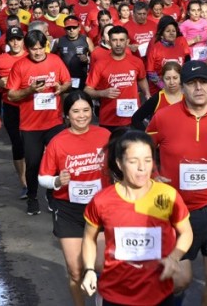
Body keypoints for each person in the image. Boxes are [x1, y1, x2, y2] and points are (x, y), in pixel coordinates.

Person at [145, 60, 207, 306]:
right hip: (176, 208)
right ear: (182, 87)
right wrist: (154, 175)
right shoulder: (163, 117)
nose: (198, 88)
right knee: (180, 279)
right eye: (191, 83)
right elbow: (142, 151)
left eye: (204, 82)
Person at [81, 130, 193, 306]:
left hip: (159, 294)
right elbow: (89, 237)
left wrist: (174, 257)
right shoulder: (102, 200)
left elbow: (186, 232)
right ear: (119, 163)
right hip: (115, 294)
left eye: (148, 160)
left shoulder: (168, 195)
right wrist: (88, 269)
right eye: (133, 161)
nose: (142, 168)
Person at [38, 91, 110, 306]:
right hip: (69, 211)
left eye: (86, 110)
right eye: (76, 111)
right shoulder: (57, 142)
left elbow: (120, 164)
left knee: (101, 265)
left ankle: (102, 301)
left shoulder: (105, 135)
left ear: (92, 110)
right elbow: (43, 178)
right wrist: (57, 182)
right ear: (67, 115)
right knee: (76, 270)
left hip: (100, 209)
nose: (81, 116)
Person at [8, 30, 72, 215]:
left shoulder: (55, 60)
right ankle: (32, 197)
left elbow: (67, 82)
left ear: (45, 46)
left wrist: (62, 87)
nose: (37, 52)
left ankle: (53, 195)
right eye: (33, 49)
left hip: (54, 122)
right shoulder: (20, 65)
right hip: (31, 126)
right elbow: (11, 94)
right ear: (27, 49)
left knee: (58, 162)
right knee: (34, 164)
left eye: (40, 48)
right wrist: (29, 90)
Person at [84, 26, 149, 132]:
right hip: (109, 120)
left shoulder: (137, 62)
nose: (118, 44)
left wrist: (147, 93)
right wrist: (102, 93)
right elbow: (87, 90)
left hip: (133, 117)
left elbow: (141, 78)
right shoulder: (100, 65)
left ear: (127, 41)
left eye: (122, 40)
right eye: (114, 40)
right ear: (109, 41)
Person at [0, 26, 29, 198]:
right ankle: (24, 184)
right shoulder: (0, 60)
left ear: (23, 40)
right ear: (7, 42)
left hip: (30, 107)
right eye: (12, 39)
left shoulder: (31, 57)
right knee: (17, 144)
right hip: (10, 106)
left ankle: (35, 177)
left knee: (32, 145)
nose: (15, 42)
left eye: (18, 39)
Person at [131, 61, 184, 131]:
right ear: (162, 79)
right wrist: (147, 137)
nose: (172, 82)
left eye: (175, 78)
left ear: (181, 78)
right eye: (167, 78)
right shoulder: (157, 98)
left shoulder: (188, 97)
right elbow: (136, 118)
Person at [145, 16, 190, 97]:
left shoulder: (180, 47)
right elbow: (150, 72)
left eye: (174, 31)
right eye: (168, 31)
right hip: (158, 92)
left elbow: (184, 69)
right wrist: (164, 87)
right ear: (162, 33)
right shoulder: (155, 48)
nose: (171, 33)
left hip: (177, 91)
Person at [52, 16, 93, 91]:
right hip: (65, 79)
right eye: (68, 28)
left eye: (74, 27)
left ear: (79, 28)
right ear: (65, 29)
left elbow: (94, 57)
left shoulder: (86, 40)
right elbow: (51, 57)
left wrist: (87, 59)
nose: (71, 30)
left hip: (82, 77)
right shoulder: (59, 41)